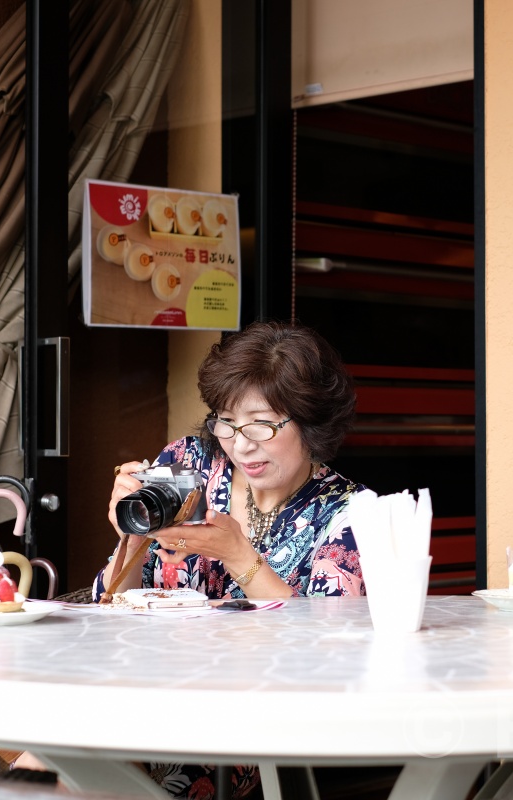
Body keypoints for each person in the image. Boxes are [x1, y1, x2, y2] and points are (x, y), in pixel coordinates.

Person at [94, 320, 365, 799]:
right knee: (55, 753)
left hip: (254, 713)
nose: (241, 444)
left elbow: (328, 646)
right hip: (144, 686)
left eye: (261, 423)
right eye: (226, 421)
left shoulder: (348, 512)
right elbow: (109, 605)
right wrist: (130, 534)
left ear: (311, 420)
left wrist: (241, 558)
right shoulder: (189, 464)